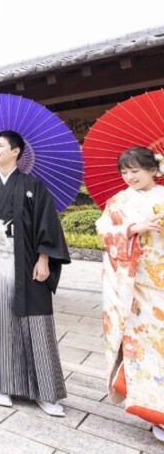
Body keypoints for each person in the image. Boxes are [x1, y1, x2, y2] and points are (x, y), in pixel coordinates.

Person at [0, 130, 71, 416]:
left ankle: (45, 392)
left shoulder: (34, 186)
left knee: (37, 323)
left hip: (27, 262)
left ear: (16, 151)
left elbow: (48, 224)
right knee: (0, 321)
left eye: (0, 145)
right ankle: (1, 385)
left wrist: (44, 259)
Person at [94, 146, 164, 444]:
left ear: (153, 170)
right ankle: (153, 411)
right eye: (124, 172)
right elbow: (103, 232)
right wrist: (132, 228)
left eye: (135, 170)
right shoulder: (118, 202)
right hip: (133, 290)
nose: (129, 177)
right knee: (143, 350)